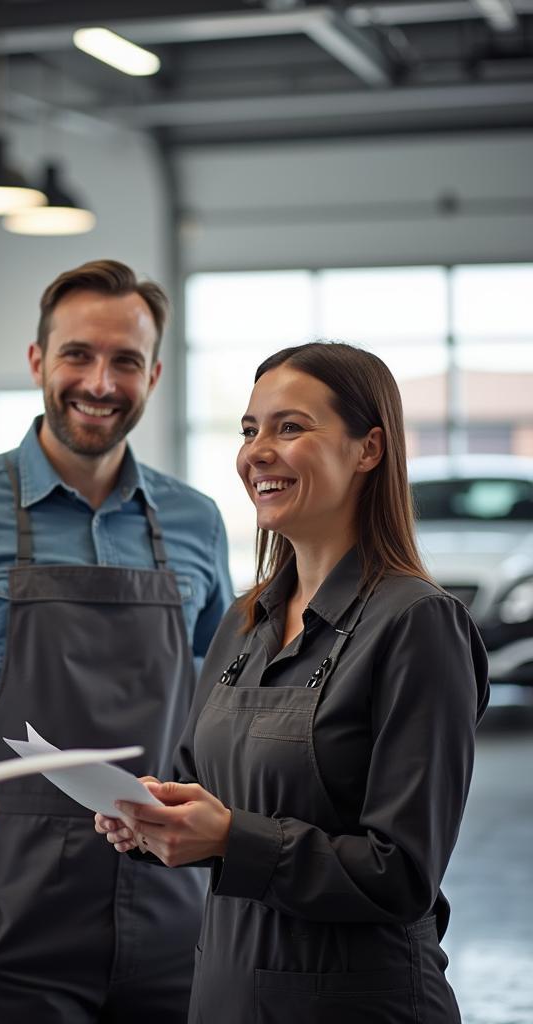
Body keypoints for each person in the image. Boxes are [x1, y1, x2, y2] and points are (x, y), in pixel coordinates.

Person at [96, 341, 489, 1023]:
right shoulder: (243, 622)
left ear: (369, 450)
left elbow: (402, 874)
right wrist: (155, 818)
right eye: (250, 430)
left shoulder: (418, 624)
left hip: (358, 1003)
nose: (257, 451)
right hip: (224, 991)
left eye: (290, 427)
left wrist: (228, 838)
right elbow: (205, 790)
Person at [0, 259, 233, 1023]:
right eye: (78, 354)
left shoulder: (196, 521)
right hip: (11, 924)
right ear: (37, 360)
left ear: (153, 374)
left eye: (126, 362)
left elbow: (229, 700)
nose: (100, 383)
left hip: (180, 918)